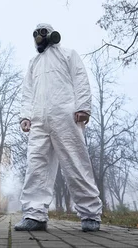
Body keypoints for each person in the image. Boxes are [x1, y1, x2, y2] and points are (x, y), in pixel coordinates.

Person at [14, 23, 102, 232]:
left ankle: (90, 215)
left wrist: (83, 107)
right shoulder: (33, 63)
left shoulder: (68, 54)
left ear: (50, 34)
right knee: (36, 167)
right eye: (35, 33)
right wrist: (25, 116)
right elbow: (28, 91)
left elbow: (80, 79)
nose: (38, 37)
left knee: (76, 162)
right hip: (39, 121)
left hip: (65, 116)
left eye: (41, 32)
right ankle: (34, 215)